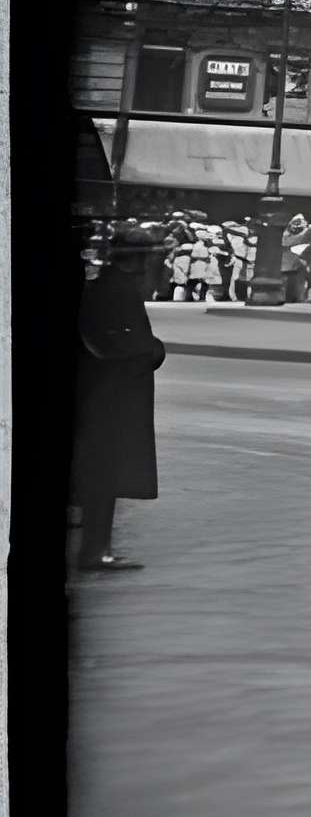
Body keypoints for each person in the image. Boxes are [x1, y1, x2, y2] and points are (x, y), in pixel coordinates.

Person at [76, 227, 168, 574]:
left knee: (101, 472)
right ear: (140, 260)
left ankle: (97, 548)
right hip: (114, 395)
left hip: (104, 391)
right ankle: (96, 551)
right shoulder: (121, 290)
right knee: (105, 473)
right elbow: (124, 343)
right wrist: (154, 351)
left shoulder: (105, 285)